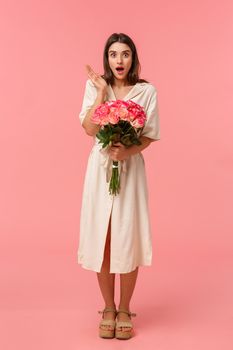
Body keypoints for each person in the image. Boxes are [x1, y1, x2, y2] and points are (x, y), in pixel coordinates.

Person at [77, 32, 160, 339]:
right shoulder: (95, 85)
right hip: (100, 170)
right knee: (104, 236)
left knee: (127, 234)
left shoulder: (146, 91)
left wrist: (127, 150)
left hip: (130, 169)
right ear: (107, 58)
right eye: (113, 54)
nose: (119, 60)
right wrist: (100, 93)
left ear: (133, 58)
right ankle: (108, 308)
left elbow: (149, 134)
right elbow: (89, 129)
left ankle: (125, 307)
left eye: (125, 54)